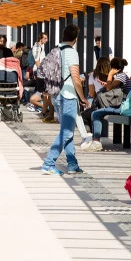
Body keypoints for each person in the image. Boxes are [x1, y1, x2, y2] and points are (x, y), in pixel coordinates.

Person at [40, 24, 89, 176]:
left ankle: (73, 165)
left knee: (66, 131)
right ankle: (48, 163)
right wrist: (83, 98)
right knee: (67, 132)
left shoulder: (57, 49)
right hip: (68, 95)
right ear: (75, 39)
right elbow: (75, 78)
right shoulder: (71, 52)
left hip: (57, 95)